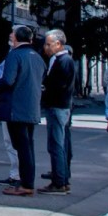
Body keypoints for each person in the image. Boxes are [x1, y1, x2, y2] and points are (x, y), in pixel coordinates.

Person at [0, 25, 45, 196]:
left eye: (12, 36)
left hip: (16, 108)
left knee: (21, 147)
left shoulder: (14, 55)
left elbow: (8, 80)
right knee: (27, 146)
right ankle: (26, 181)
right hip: (31, 108)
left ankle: (26, 184)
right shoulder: (37, 57)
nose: (10, 38)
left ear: (15, 39)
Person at [41, 29, 80, 194]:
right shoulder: (57, 60)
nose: (46, 48)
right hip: (58, 106)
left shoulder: (64, 61)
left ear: (58, 44)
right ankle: (61, 178)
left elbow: (59, 85)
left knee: (56, 145)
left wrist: (45, 89)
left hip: (58, 107)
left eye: (49, 44)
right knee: (58, 144)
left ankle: (59, 182)